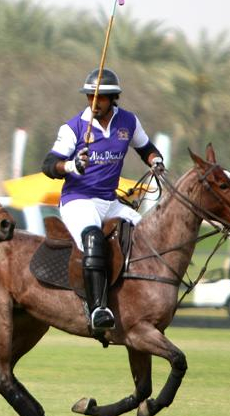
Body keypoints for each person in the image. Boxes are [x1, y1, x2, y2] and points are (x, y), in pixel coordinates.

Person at [41, 67, 165, 332]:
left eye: (100, 98)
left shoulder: (128, 122)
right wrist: (72, 166)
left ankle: (140, 299)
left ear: (114, 99)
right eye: (90, 97)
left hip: (110, 201)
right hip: (78, 200)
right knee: (93, 238)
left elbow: (146, 148)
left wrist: (156, 160)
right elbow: (49, 165)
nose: (94, 103)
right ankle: (98, 309)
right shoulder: (74, 127)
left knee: (146, 234)